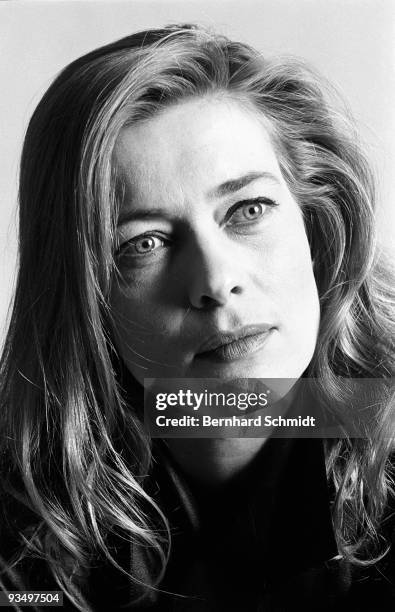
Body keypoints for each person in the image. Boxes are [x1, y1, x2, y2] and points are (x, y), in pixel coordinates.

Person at [0, 23, 394, 611]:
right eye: (144, 243)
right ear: (85, 296)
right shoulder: (24, 527)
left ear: (317, 226)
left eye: (248, 209)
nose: (214, 281)